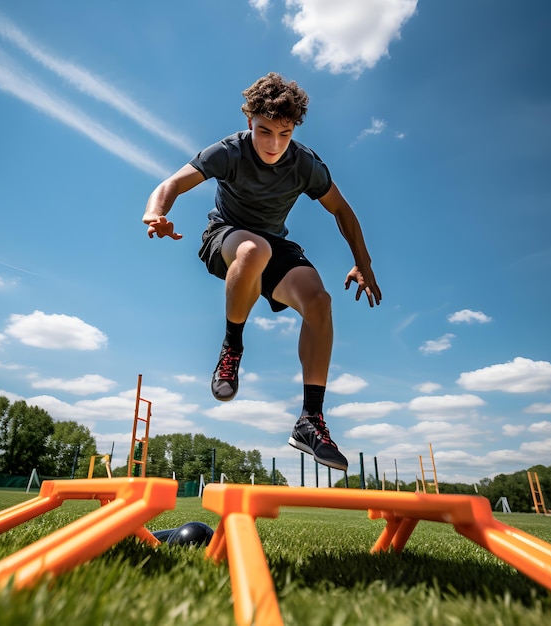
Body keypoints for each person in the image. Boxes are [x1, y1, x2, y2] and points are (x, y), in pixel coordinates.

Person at [143, 72, 381, 472]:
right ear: (249, 121)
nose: (273, 144)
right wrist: (156, 213)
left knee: (319, 301)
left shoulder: (304, 164)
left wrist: (364, 262)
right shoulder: (229, 152)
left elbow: (342, 209)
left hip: (276, 246)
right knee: (255, 249)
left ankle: (311, 420)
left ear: (295, 130)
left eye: (284, 134)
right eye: (264, 131)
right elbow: (171, 184)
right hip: (227, 238)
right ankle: (231, 348)